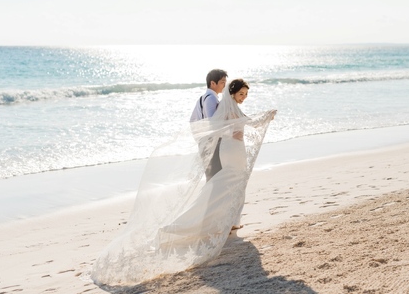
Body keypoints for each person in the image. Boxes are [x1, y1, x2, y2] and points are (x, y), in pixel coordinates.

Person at [91, 79, 277, 287]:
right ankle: (197, 224)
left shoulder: (233, 108)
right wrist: (253, 122)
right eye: (242, 94)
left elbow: (248, 123)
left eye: (246, 95)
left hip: (234, 149)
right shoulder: (226, 109)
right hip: (231, 150)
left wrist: (267, 116)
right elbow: (227, 127)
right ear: (232, 93)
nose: (244, 98)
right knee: (227, 186)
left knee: (229, 187)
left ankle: (227, 222)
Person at [190, 69, 228, 181]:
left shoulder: (203, 98)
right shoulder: (211, 99)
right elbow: (214, 122)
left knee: (211, 177)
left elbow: (193, 120)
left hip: (205, 141)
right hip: (211, 143)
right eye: (222, 82)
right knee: (215, 176)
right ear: (212, 83)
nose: (224, 85)